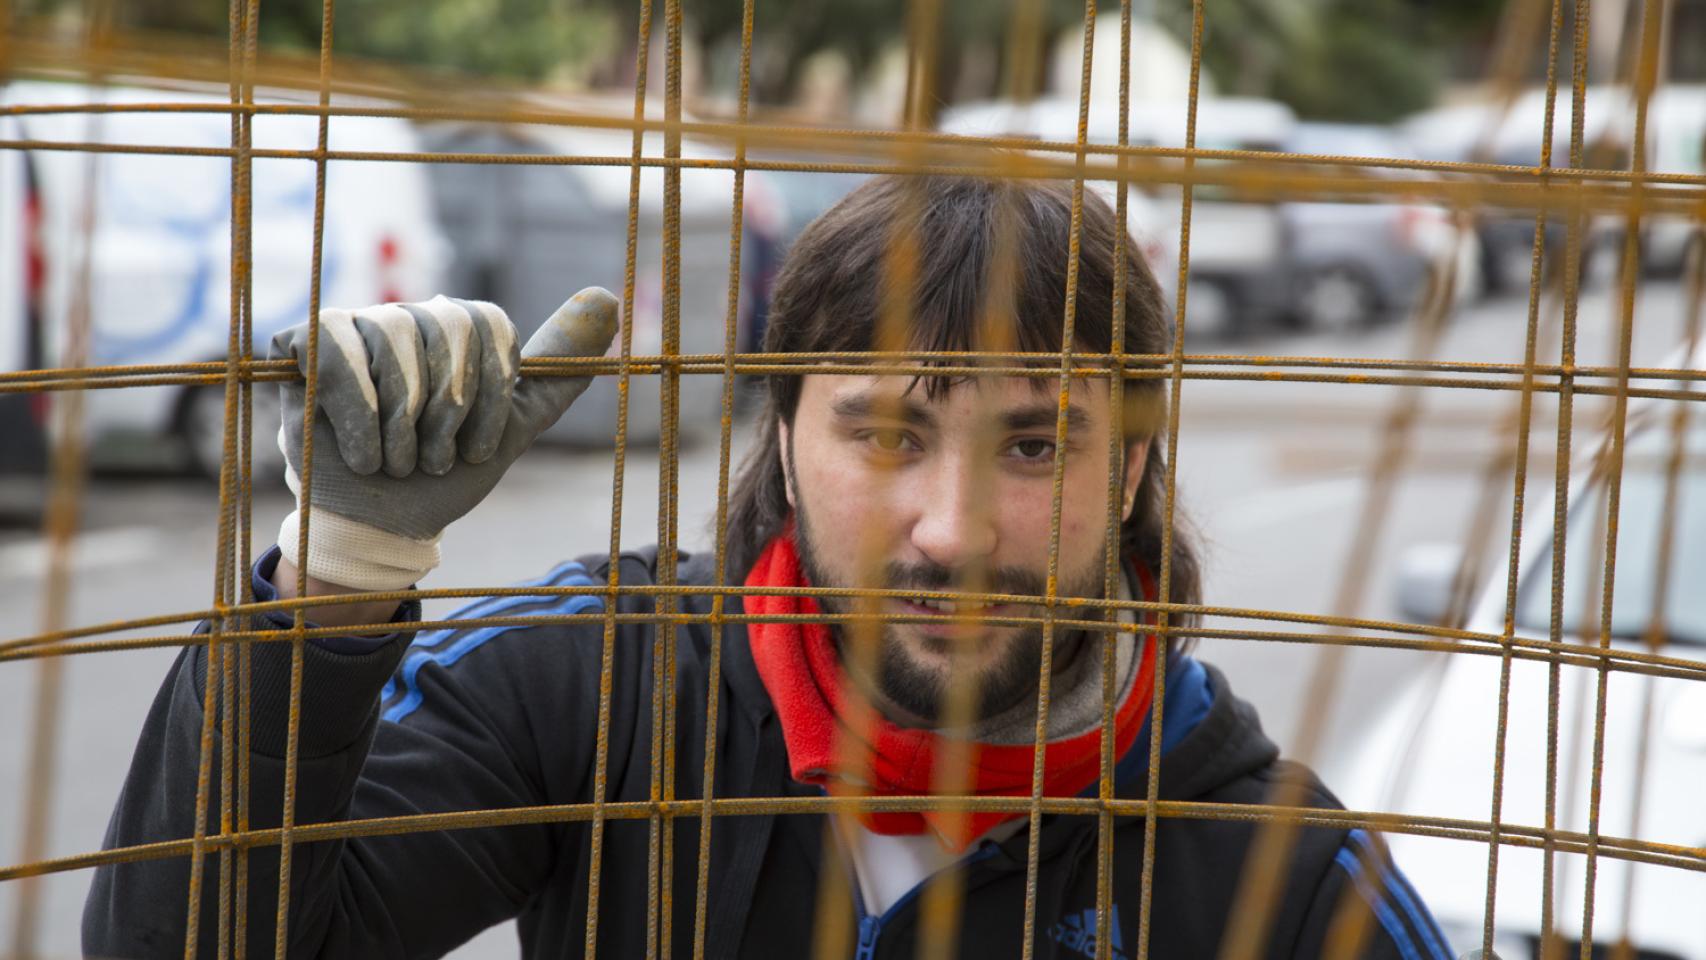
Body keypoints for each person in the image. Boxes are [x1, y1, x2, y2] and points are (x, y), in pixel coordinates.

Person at [85, 176, 1451, 959]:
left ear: (1134, 473)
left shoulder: (1281, 867)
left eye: (1035, 446)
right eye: (886, 434)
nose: (952, 530)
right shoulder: (607, 675)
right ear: (785, 442)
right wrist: (345, 564)